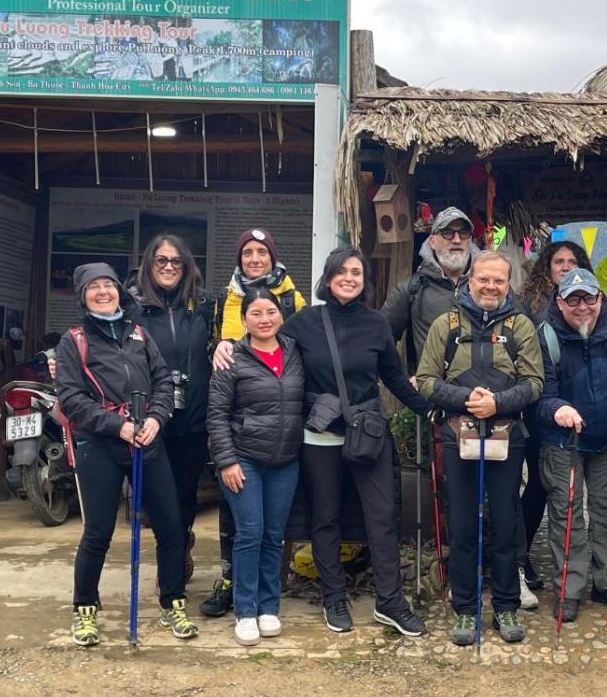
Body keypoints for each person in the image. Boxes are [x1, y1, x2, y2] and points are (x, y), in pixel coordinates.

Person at [279, 246, 429, 637]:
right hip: (320, 436)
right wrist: (228, 347)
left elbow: (394, 378)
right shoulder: (302, 323)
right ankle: (334, 597)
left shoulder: (377, 324)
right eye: (341, 271)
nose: (349, 278)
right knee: (324, 517)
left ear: (365, 280)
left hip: (368, 434)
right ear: (328, 277)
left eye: (356, 273)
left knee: (382, 516)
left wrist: (430, 410)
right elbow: (273, 363)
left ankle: (390, 601)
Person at [57, 263, 198, 647]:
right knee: (98, 532)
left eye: (108, 285)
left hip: (147, 441)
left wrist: (156, 419)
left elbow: (163, 381)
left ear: (119, 291)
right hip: (99, 445)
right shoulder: (73, 341)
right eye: (93, 287)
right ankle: (85, 607)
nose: (103, 292)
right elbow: (71, 398)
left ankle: (173, 601)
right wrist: (116, 425)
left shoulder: (139, 333)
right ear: (83, 296)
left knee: (171, 527)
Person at [418, 251, 544, 645]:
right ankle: (465, 609)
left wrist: (498, 403)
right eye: (483, 279)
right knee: (462, 526)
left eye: (499, 281)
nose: (491, 287)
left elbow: (535, 383)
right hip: (459, 434)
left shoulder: (521, 326)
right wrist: (465, 399)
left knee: (506, 524)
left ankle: (505, 606)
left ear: (509, 285)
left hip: (508, 435)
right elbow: (426, 380)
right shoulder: (446, 324)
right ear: (470, 280)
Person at [203, 227, 307, 618]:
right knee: (247, 530)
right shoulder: (226, 304)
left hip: (283, 453)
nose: (255, 259)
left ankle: (268, 607)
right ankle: (242, 604)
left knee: (271, 534)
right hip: (242, 448)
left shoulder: (293, 312)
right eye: (247, 252)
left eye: (262, 252)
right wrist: (226, 459)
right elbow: (217, 410)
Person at [535, 268, 607, 621]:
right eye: (573, 299)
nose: (582, 307)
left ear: (600, 298)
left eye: (589, 298)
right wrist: (556, 408)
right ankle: (568, 588)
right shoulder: (545, 335)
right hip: (563, 440)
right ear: (560, 302)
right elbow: (538, 391)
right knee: (567, 513)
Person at [127, 234, 212, 582]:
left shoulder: (204, 305)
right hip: (150, 416)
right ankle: (172, 544)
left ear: (187, 266)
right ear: (149, 264)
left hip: (193, 416)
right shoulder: (133, 307)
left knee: (185, 493)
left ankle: (176, 555)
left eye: (176, 261)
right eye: (161, 260)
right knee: (155, 499)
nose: (169, 267)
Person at [518, 238, 592, 593]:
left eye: (572, 261)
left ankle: (580, 563)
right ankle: (519, 556)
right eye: (559, 261)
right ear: (547, 267)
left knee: (576, 497)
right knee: (536, 488)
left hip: (582, 409)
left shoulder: (590, 300)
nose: (565, 267)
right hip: (542, 407)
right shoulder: (530, 304)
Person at [382, 206, 478, 367]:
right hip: (432, 383)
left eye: (463, 233)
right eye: (447, 233)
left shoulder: (492, 286)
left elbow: (517, 335)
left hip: (482, 383)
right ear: (432, 241)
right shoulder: (412, 289)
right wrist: (398, 378)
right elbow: (380, 338)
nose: (457, 240)